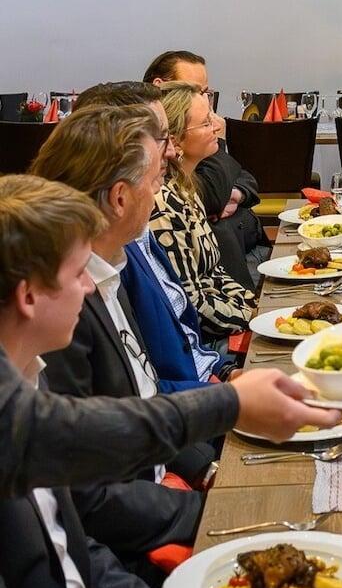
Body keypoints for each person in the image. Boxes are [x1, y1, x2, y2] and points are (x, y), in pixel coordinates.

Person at [0, 174, 341, 588]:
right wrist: (233, 405)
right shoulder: (20, 417)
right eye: (78, 273)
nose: (90, 286)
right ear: (29, 296)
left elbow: (71, 554)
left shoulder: (28, 382)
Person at [31, 104, 216, 487]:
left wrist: (206, 468)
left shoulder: (113, 264)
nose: (158, 194)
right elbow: (95, 494)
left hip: (171, 465)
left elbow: (144, 397)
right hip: (142, 515)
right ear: (119, 198)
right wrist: (201, 504)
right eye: (153, 182)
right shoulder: (64, 305)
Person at [72, 82, 236, 388]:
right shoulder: (92, 269)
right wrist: (230, 399)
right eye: (161, 137)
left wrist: (225, 373)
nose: (172, 150)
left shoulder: (132, 237)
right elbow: (136, 406)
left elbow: (184, 335)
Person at [144, 50, 270, 290]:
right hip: (217, 272)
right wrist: (219, 140)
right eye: (194, 90)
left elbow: (245, 177)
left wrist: (235, 194)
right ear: (161, 86)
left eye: (204, 92)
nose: (203, 99)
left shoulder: (195, 135)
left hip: (242, 246)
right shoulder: (159, 155)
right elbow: (212, 196)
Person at [150, 82, 256, 341]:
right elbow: (192, 303)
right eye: (207, 122)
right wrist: (253, 319)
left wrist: (255, 305)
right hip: (207, 341)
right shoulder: (163, 204)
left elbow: (215, 273)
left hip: (227, 320)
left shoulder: (187, 185)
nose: (217, 127)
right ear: (175, 140)